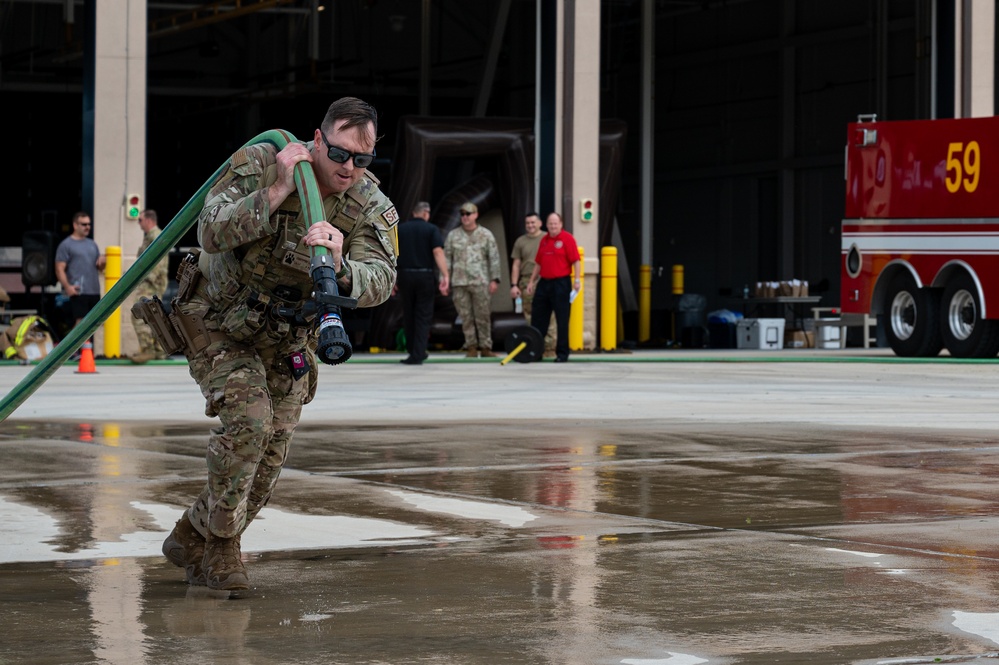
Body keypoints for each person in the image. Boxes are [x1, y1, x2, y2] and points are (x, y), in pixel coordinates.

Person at [160, 96, 398, 591]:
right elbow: (209, 230)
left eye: (362, 158)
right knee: (249, 423)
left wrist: (341, 266)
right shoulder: (262, 163)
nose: (350, 167)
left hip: (287, 336)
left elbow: (383, 278)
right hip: (219, 321)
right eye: (339, 154)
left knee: (269, 459)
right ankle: (222, 552)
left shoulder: (369, 204)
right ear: (318, 139)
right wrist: (275, 191)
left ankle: (191, 533)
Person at [443, 202, 501, 358]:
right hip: (459, 282)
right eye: (462, 214)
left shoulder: (486, 235)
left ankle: (486, 347)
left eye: (468, 214)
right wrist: (445, 279)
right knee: (465, 316)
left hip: (480, 281)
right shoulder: (453, 235)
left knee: (483, 315)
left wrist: (495, 279)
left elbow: (494, 258)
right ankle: (471, 347)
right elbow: (446, 259)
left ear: (475, 215)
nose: (465, 217)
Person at [395, 201, 449, 365]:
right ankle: (419, 353)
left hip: (404, 276)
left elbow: (392, 255)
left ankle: (413, 351)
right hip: (424, 275)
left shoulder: (400, 230)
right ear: (426, 213)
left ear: (414, 213)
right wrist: (445, 275)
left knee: (409, 315)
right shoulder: (431, 229)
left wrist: (392, 278)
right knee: (423, 316)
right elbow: (438, 252)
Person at [525, 212, 581, 363]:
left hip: (561, 283)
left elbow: (576, 261)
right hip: (544, 283)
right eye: (550, 223)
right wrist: (531, 281)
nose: (553, 226)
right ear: (546, 224)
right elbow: (538, 263)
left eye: (555, 223)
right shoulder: (544, 240)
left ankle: (562, 354)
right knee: (538, 318)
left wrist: (577, 280)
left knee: (562, 320)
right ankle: (536, 352)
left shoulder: (567, 239)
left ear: (561, 224)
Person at [54, 212, 106, 352]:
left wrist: (102, 262)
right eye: (84, 224)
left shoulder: (92, 244)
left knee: (95, 323)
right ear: (75, 225)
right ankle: (68, 352)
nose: (87, 227)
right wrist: (67, 287)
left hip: (93, 290)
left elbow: (99, 268)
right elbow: (59, 269)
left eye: (89, 224)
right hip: (78, 290)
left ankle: (86, 352)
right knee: (80, 322)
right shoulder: (66, 245)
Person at [509, 211, 555, 358]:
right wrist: (514, 285)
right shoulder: (520, 242)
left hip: (546, 279)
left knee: (549, 315)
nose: (530, 225)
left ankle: (549, 348)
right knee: (529, 316)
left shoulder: (548, 239)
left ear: (540, 223)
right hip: (526, 281)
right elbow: (516, 264)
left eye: (533, 222)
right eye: (528, 223)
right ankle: (534, 346)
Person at [130, 210, 170, 364]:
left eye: (140, 220)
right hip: (152, 282)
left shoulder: (154, 236)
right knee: (154, 316)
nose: (139, 224)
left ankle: (148, 350)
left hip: (150, 283)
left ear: (148, 220)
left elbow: (157, 260)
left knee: (139, 314)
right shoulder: (150, 236)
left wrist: (151, 280)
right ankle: (159, 350)